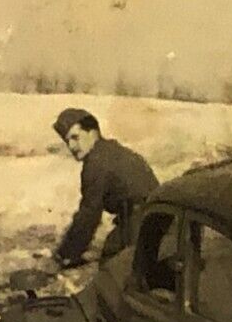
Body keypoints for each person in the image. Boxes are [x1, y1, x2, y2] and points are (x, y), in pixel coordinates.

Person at [50, 107, 159, 266]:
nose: (72, 146)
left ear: (93, 133)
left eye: (75, 137)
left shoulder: (96, 162)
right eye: (68, 141)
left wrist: (66, 254)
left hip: (141, 224)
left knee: (112, 267)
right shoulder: (111, 150)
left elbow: (89, 214)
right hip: (155, 218)